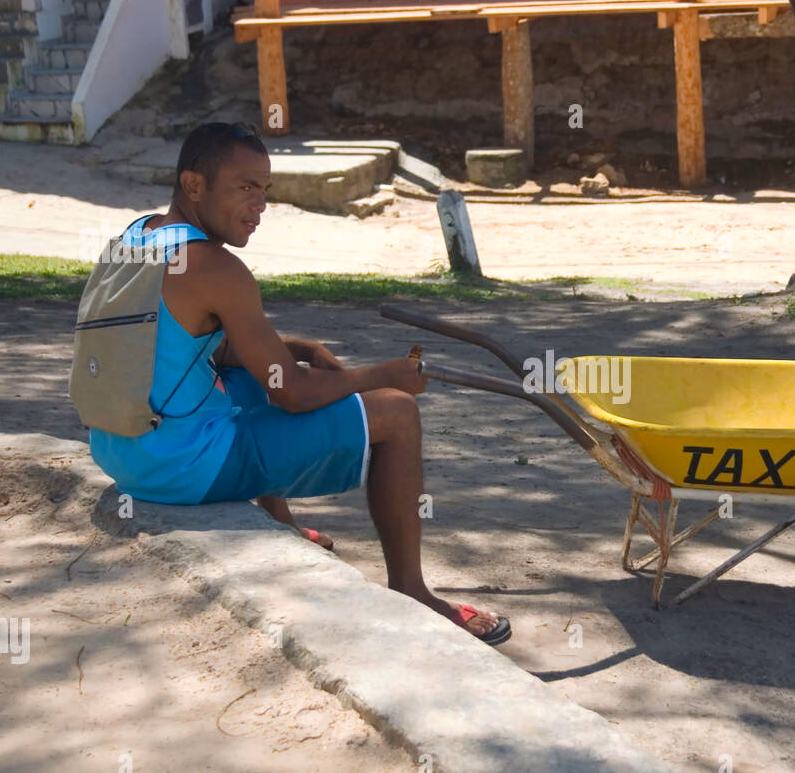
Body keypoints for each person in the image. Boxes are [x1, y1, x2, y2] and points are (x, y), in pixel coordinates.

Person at [82, 122, 509, 645]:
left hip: (121, 449)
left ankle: (280, 522)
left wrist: (297, 350)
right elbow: (293, 393)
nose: (259, 204)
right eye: (245, 188)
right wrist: (381, 376)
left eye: (265, 190)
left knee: (249, 372)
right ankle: (412, 591)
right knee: (395, 410)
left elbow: (176, 340)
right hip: (180, 468)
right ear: (194, 185)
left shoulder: (139, 235)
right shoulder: (217, 266)